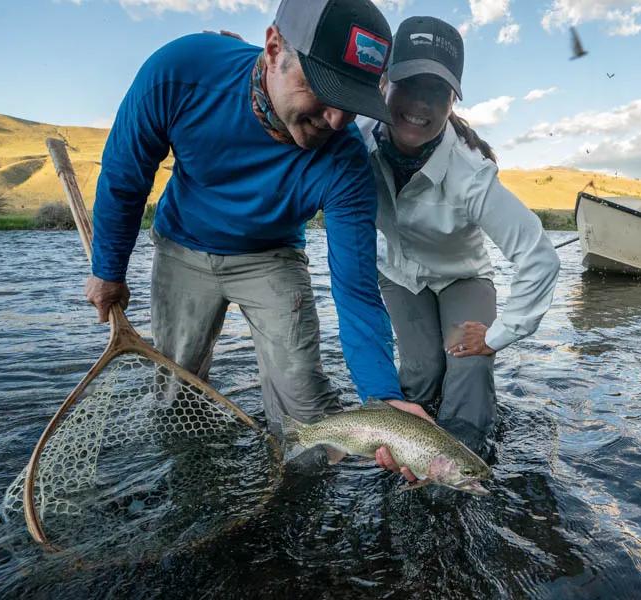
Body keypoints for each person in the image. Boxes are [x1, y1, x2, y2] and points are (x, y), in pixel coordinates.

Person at [86, 0, 432, 437]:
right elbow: (124, 176)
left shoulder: (346, 162)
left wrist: (383, 399)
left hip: (274, 258)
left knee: (305, 403)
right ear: (273, 49)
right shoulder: (180, 71)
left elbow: (356, 291)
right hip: (183, 248)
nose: (337, 118)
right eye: (326, 88)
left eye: (354, 100)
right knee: (176, 395)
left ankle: (300, 491)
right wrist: (108, 271)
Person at [357, 17, 560, 478]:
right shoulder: (356, 137)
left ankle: (464, 474)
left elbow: (539, 257)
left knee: (467, 367)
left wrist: (497, 336)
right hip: (398, 274)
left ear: (452, 102)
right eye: (410, 85)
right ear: (384, 82)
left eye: (438, 93)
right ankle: (408, 457)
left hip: (462, 276)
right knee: (420, 373)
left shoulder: (472, 175)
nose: (420, 105)